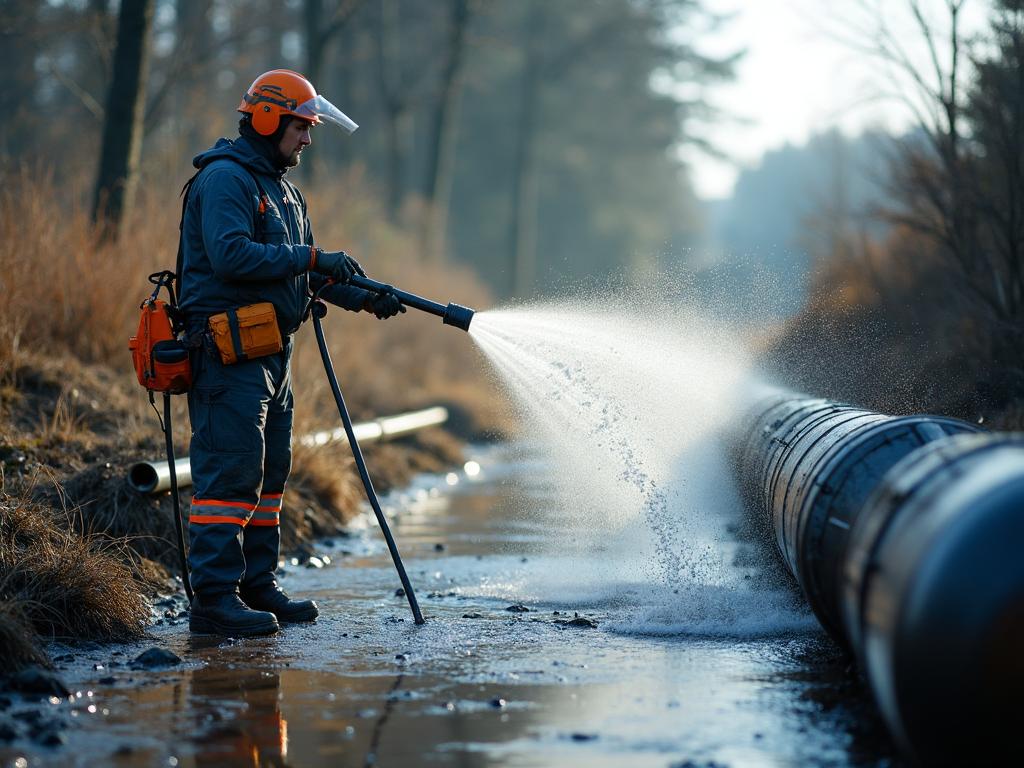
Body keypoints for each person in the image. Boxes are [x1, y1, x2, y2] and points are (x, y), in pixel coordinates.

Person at [178, 69, 405, 637]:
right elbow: (232, 256)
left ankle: (256, 586)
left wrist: (366, 296)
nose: (308, 139)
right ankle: (213, 599)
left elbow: (303, 277)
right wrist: (311, 258)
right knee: (229, 474)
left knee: (269, 473)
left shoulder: (284, 191)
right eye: (302, 127)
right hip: (226, 357)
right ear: (266, 118)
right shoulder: (225, 180)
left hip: (270, 358)